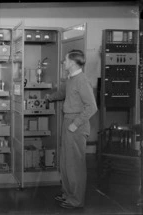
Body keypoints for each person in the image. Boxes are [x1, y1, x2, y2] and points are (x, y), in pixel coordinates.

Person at [45, 49, 97, 209]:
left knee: (75, 164)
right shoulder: (70, 79)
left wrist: (75, 124)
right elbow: (63, 93)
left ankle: (76, 200)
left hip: (77, 125)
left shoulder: (82, 80)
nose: (63, 62)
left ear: (73, 63)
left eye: (66, 60)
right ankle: (67, 194)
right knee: (66, 162)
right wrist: (49, 97)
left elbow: (92, 107)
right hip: (68, 122)